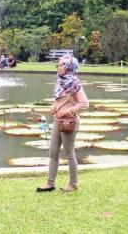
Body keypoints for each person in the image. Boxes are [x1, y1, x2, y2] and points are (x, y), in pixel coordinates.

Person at [36, 54, 89, 193]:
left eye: (61, 65)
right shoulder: (60, 82)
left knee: (69, 154)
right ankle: (50, 183)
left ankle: (73, 184)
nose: (58, 68)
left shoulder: (75, 84)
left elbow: (84, 104)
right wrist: (54, 107)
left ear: (68, 68)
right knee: (53, 153)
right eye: (58, 65)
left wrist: (67, 111)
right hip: (58, 121)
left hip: (69, 123)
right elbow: (59, 100)